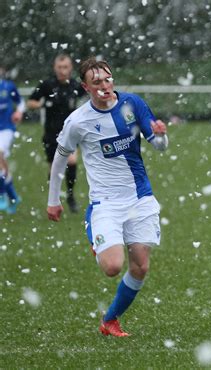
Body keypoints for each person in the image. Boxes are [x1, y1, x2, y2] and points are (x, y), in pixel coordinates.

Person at [46, 56, 169, 337]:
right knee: (113, 267)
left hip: (140, 198)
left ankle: (109, 320)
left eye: (108, 79)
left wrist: (161, 135)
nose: (104, 85)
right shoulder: (78, 121)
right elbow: (60, 158)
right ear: (85, 87)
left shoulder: (132, 104)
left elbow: (159, 145)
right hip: (106, 203)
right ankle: (94, 231)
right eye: (96, 82)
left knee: (140, 267)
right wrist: (54, 199)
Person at [27, 54, 86, 213]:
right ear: (55, 68)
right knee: (54, 169)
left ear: (70, 68)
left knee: (72, 161)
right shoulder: (47, 85)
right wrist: (40, 104)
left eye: (65, 67)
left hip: (71, 132)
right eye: (59, 67)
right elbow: (31, 102)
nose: (62, 70)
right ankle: (54, 199)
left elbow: (91, 94)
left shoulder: (75, 85)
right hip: (51, 133)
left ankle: (71, 196)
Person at [0, 65, 25, 214]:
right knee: (2, 165)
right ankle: (13, 196)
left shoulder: (8, 87)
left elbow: (20, 102)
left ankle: (2, 194)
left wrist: (19, 112)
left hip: (6, 129)